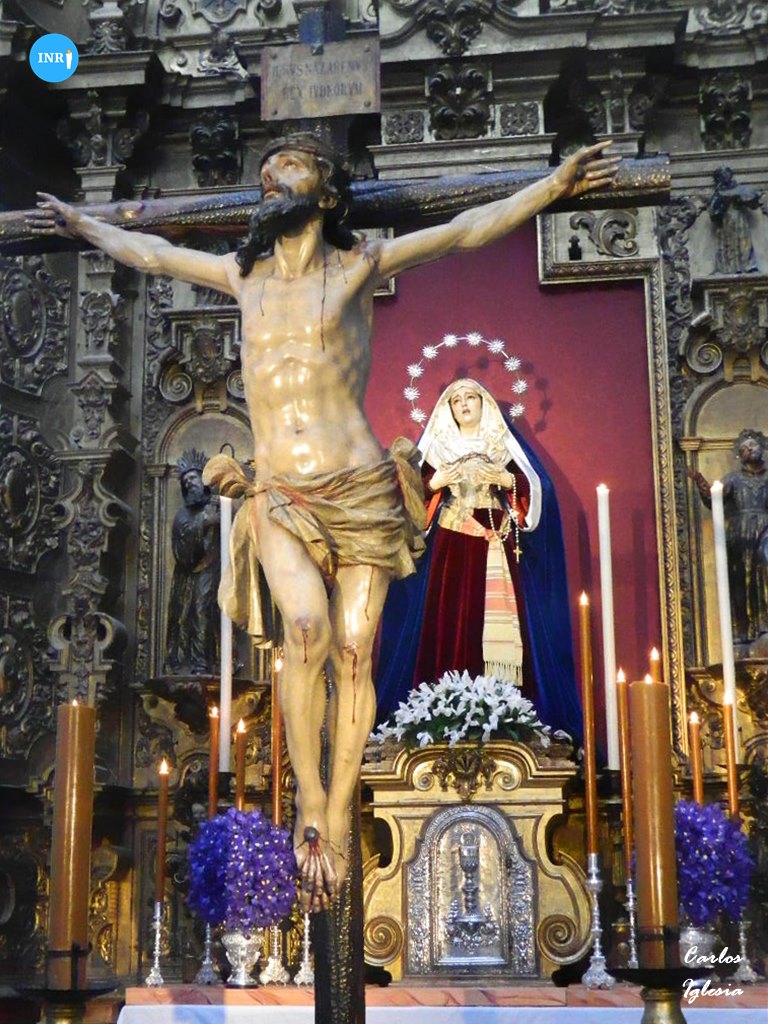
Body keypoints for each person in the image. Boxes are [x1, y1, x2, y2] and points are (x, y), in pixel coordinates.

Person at [28, 131, 619, 910]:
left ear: (327, 195)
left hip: (362, 486)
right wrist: (84, 223)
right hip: (280, 489)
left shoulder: (359, 266)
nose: (272, 179)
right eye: (266, 173)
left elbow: (464, 230)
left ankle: (339, 810)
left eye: (291, 169)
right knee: (304, 630)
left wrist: (551, 187)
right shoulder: (241, 275)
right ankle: (310, 798)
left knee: (352, 648)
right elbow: (153, 255)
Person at [376, 380, 583, 743]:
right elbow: (404, 502)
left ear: (484, 404)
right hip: (450, 544)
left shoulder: (501, 443)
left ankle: (505, 713)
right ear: (448, 411)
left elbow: (539, 491)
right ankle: (439, 709)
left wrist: (505, 478)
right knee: (448, 618)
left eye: (470, 397)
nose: (464, 404)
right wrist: (435, 482)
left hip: (494, 542)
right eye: (456, 400)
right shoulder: (437, 447)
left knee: (496, 620)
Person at [694, 428, 768, 653]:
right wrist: (701, 482)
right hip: (740, 535)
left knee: (765, 568)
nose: (750, 450)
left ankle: (765, 623)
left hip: (765, 530)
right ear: (740, 454)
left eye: (753, 445)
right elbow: (713, 498)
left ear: (762, 448)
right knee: (742, 580)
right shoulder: (734, 479)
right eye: (744, 448)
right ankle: (744, 630)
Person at [165, 450, 221, 675]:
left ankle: (210, 660)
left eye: (192, 478)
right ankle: (198, 663)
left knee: (207, 612)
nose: (189, 483)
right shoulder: (183, 515)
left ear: (203, 479)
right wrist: (203, 523)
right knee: (195, 612)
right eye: (185, 481)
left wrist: (217, 518)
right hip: (191, 573)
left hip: (217, 569)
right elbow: (181, 545)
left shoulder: (218, 505)